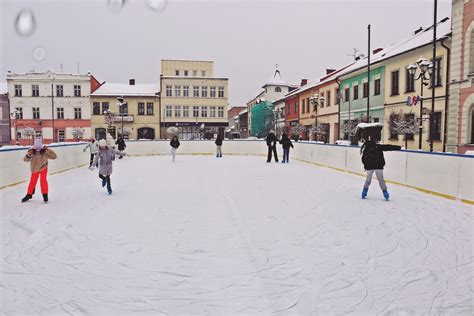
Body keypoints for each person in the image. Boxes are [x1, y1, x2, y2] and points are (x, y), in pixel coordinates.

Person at [22, 138, 57, 203]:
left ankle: (45, 195)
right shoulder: (32, 151)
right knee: (32, 182)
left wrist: (48, 150)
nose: (38, 149)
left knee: (43, 181)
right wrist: (29, 154)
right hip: (34, 169)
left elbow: (54, 157)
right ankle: (29, 194)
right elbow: (25, 160)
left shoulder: (45, 152)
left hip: (43, 168)